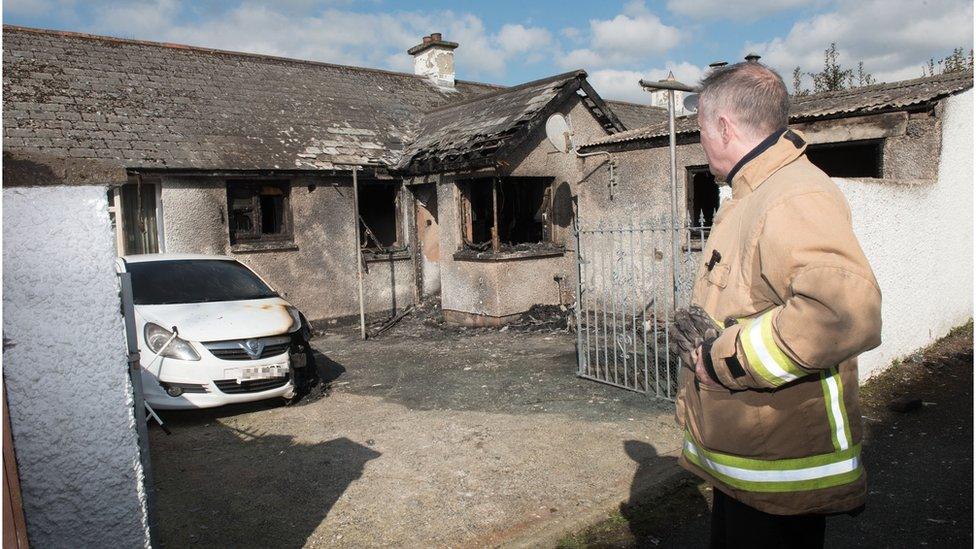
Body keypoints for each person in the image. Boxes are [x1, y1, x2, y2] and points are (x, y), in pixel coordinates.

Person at [674, 61, 883, 548]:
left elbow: (841, 313)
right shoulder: (753, 193)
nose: (700, 141)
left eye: (700, 128)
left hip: (781, 468)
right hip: (753, 461)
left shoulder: (791, 195)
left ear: (724, 127)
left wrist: (718, 357)